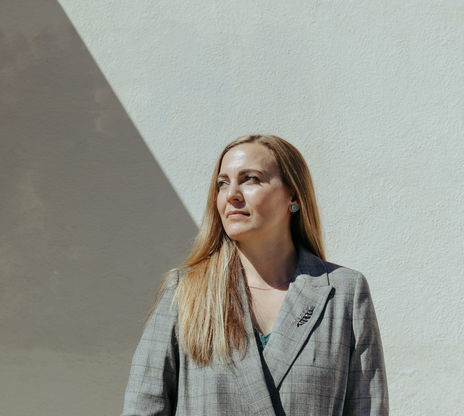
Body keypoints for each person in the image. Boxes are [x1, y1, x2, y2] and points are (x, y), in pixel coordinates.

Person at [121, 134, 389, 415]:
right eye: (223, 183)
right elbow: (144, 406)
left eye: (250, 179)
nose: (232, 194)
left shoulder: (342, 292)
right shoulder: (186, 290)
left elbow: (368, 408)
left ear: (293, 196)